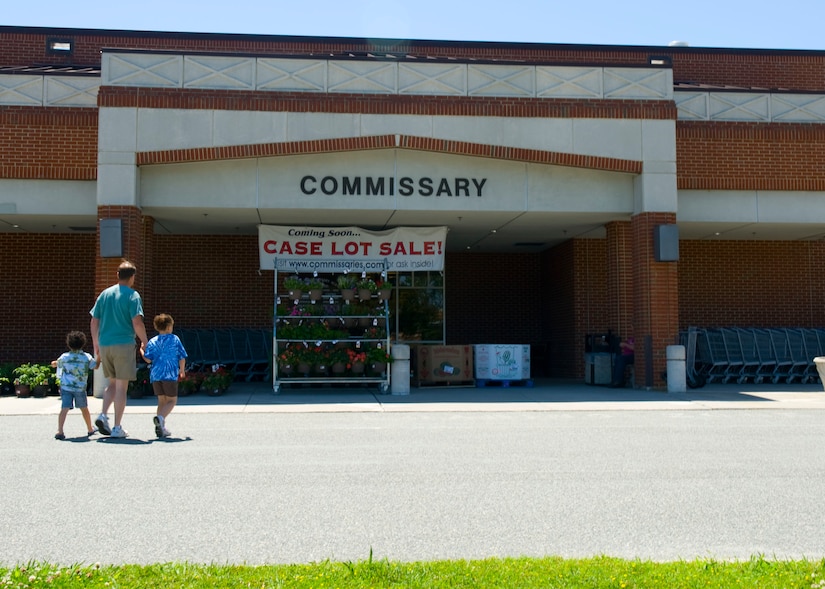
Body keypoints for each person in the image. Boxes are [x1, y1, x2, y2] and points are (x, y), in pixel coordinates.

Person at [90, 259, 149, 438]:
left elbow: (94, 320)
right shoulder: (133, 296)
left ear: (117, 275)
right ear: (132, 277)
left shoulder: (105, 294)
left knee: (112, 384)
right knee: (122, 387)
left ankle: (103, 415)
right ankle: (117, 427)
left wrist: (95, 343)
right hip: (124, 343)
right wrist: (145, 341)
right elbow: (137, 322)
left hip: (105, 344)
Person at [141, 313, 188, 438]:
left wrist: (141, 350)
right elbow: (182, 356)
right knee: (172, 400)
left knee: (161, 400)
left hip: (156, 375)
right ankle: (160, 419)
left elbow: (148, 359)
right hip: (169, 374)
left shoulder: (153, 341)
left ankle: (161, 427)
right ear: (168, 327)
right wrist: (182, 370)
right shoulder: (174, 339)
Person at [51, 330, 98, 440]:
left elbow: (56, 364)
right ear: (83, 343)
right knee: (84, 408)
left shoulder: (65, 357)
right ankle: (90, 428)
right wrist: (99, 357)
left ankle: (60, 430)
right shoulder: (86, 357)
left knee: (64, 408)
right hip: (80, 388)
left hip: (66, 387)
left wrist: (54, 363)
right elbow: (95, 366)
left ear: (69, 344)